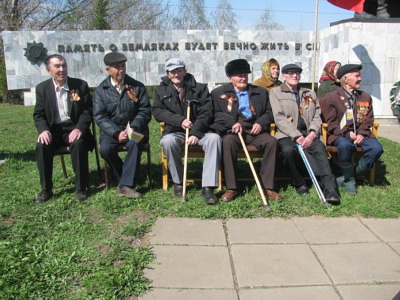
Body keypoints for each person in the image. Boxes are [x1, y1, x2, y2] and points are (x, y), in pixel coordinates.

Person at [211, 58, 282, 202]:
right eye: (239, 75)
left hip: (254, 130)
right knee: (228, 142)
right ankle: (232, 187)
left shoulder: (260, 91)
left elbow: (269, 112)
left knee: (272, 142)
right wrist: (232, 123)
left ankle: (267, 186)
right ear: (230, 78)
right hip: (234, 131)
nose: (243, 78)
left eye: (245, 75)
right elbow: (215, 114)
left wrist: (261, 123)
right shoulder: (218, 93)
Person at [152, 58, 221, 204]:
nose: (176, 74)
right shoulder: (160, 90)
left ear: (185, 70)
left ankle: (208, 186)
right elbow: (158, 111)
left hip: (199, 131)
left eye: (179, 70)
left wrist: (196, 132)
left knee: (215, 139)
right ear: (168, 73)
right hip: (175, 131)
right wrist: (179, 121)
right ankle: (178, 182)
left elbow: (207, 112)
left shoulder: (200, 88)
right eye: (172, 71)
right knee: (168, 141)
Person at [269, 64, 340, 203]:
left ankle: (330, 188)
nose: (294, 76)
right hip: (287, 134)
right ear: (284, 76)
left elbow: (317, 115)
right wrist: (296, 136)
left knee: (319, 148)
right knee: (288, 151)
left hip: (308, 133)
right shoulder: (276, 92)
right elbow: (279, 117)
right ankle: (299, 183)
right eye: (290, 73)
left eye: (297, 73)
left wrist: (313, 132)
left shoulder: (309, 92)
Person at [33, 54, 95, 203]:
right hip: (54, 130)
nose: (62, 69)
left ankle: (81, 189)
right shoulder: (42, 89)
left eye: (64, 65)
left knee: (79, 143)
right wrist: (43, 130)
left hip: (73, 128)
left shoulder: (80, 85)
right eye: (57, 66)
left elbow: (88, 111)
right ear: (49, 70)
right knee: (42, 146)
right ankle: (46, 190)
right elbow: (39, 114)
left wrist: (80, 128)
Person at [93, 52, 151, 198]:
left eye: (123, 66)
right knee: (105, 149)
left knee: (135, 142)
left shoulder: (137, 86)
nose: (121, 70)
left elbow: (145, 111)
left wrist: (134, 127)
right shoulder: (101, 91)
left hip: (135, 130)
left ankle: (126, 186)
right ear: (108, 70)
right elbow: (99, 116)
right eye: (117, 67)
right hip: (111, 132)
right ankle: (124, 175)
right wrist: (115, 132)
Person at [325, 64, 383, 195]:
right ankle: (350, 181)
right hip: (341, 135)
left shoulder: (365, 97)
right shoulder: (332, 97)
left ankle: (348, 177)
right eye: (356, 76)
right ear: (345, 79)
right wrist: (346, 134)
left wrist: (362, 134)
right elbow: (332, 122)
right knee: (344, 145)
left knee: (377, 148)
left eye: (359, 75)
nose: (360, 79)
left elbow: (368, 119)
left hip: (363, 135)